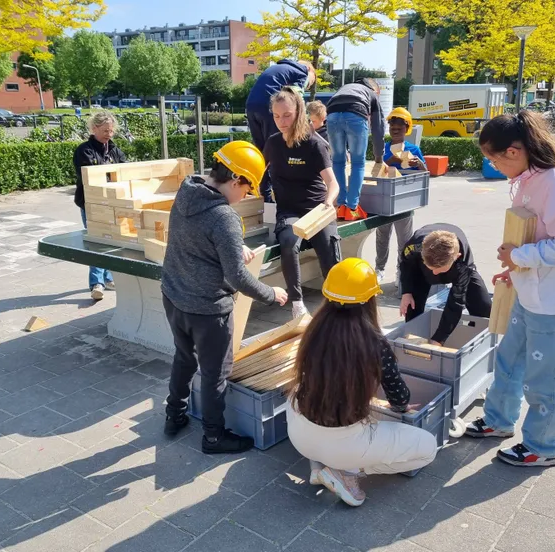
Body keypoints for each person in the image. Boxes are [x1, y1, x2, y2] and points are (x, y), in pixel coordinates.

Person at [466, 111, 555, 468]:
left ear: (513, 151)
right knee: (510, 359)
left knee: (548, 376)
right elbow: (535, 234)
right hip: (533, 291)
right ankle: (498, 420)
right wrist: (516, 269)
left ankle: (542, 445)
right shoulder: (530, 177)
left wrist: (520, 256)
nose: (492, 166)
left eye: (492, 159)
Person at [161, 141, 289, 454]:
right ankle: (214, 438)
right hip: (208, 309)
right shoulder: (223, 217)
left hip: (174, 296)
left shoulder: (187, 190)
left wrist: (232, 249)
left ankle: (174, 415)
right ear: (235, 181)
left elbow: (195, 239)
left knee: (183, 356)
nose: (244, 197)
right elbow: (237, 277)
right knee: (216, 373)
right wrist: (271, 293)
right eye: (246, 190)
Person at [287, 258, 437, 507]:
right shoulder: (375, 343)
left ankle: (320, 465)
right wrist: (401, 409)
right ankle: (347, 473)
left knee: (295, 393)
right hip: (346, 445)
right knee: (428, 448)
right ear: (370, 299)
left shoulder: (313, 330)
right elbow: (399, 397)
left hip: (300, 436)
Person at [264, 87, 341, 319]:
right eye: (276, 116)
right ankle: (297, 305)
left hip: (317, 210)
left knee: (329, 250)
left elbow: (333, 184)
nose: (281, 121)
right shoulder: (273, 143)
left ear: (298, 111)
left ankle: (336, 304)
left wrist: (328, 202)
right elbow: (258, 172)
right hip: (288, 211)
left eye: (286, 115)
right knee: (288, 243)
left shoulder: (314, 144)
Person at [398, 224, 492, 344]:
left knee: (484, 309)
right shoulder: (413, 247)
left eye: (439, 269)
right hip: (420, 271)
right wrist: (407, 291)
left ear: (456, 257)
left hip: (457, 270)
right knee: (412, 308)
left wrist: (438, 339)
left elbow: (455, 303)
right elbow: (406, 265)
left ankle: (477, 342)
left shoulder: (463, 264)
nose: (435, 273)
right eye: (431, 268)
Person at [73, 111, 126, 300]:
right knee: (97, 242)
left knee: (111, 241)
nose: (109, 135)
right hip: (91, 204)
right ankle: (97, 283)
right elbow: (90, 177)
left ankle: (109, 277)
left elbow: (124, 170)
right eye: (105, 131)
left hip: (112, 203)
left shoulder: (114, 149)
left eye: (111, 131)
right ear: (94, 128)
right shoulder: (84, 150)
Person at [246, 59, 317, 201]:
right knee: (276, 150)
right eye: (311, 83)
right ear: (309, 70)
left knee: (262, 152)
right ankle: (279, 196)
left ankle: (262, 194)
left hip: (251, 105)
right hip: (269, 106)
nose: (308, 85)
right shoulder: (303, 72)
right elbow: (296, 99)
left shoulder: (280, 68)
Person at [375, 107, 425, 283]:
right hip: (385, 200)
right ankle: (379, 269)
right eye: (392, 127)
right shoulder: (382, 149)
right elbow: (375, 172)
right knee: (382, 238)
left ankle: (401, 271)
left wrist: (419, 164)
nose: (395, 130)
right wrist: (391, 161)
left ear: (407, 129)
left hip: (405, 200)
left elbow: (426, 174)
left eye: (399, 128)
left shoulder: (414, 149)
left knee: (404, 241)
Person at [326, 78, 386, 221]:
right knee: (358, 163)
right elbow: (378, 129)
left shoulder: (345, 87)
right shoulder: (371, 94)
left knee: (338, 161)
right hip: (356, 114)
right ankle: (352, 208)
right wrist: (379, 157)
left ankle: (340, 206)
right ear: (374, 90)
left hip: (332, 114)